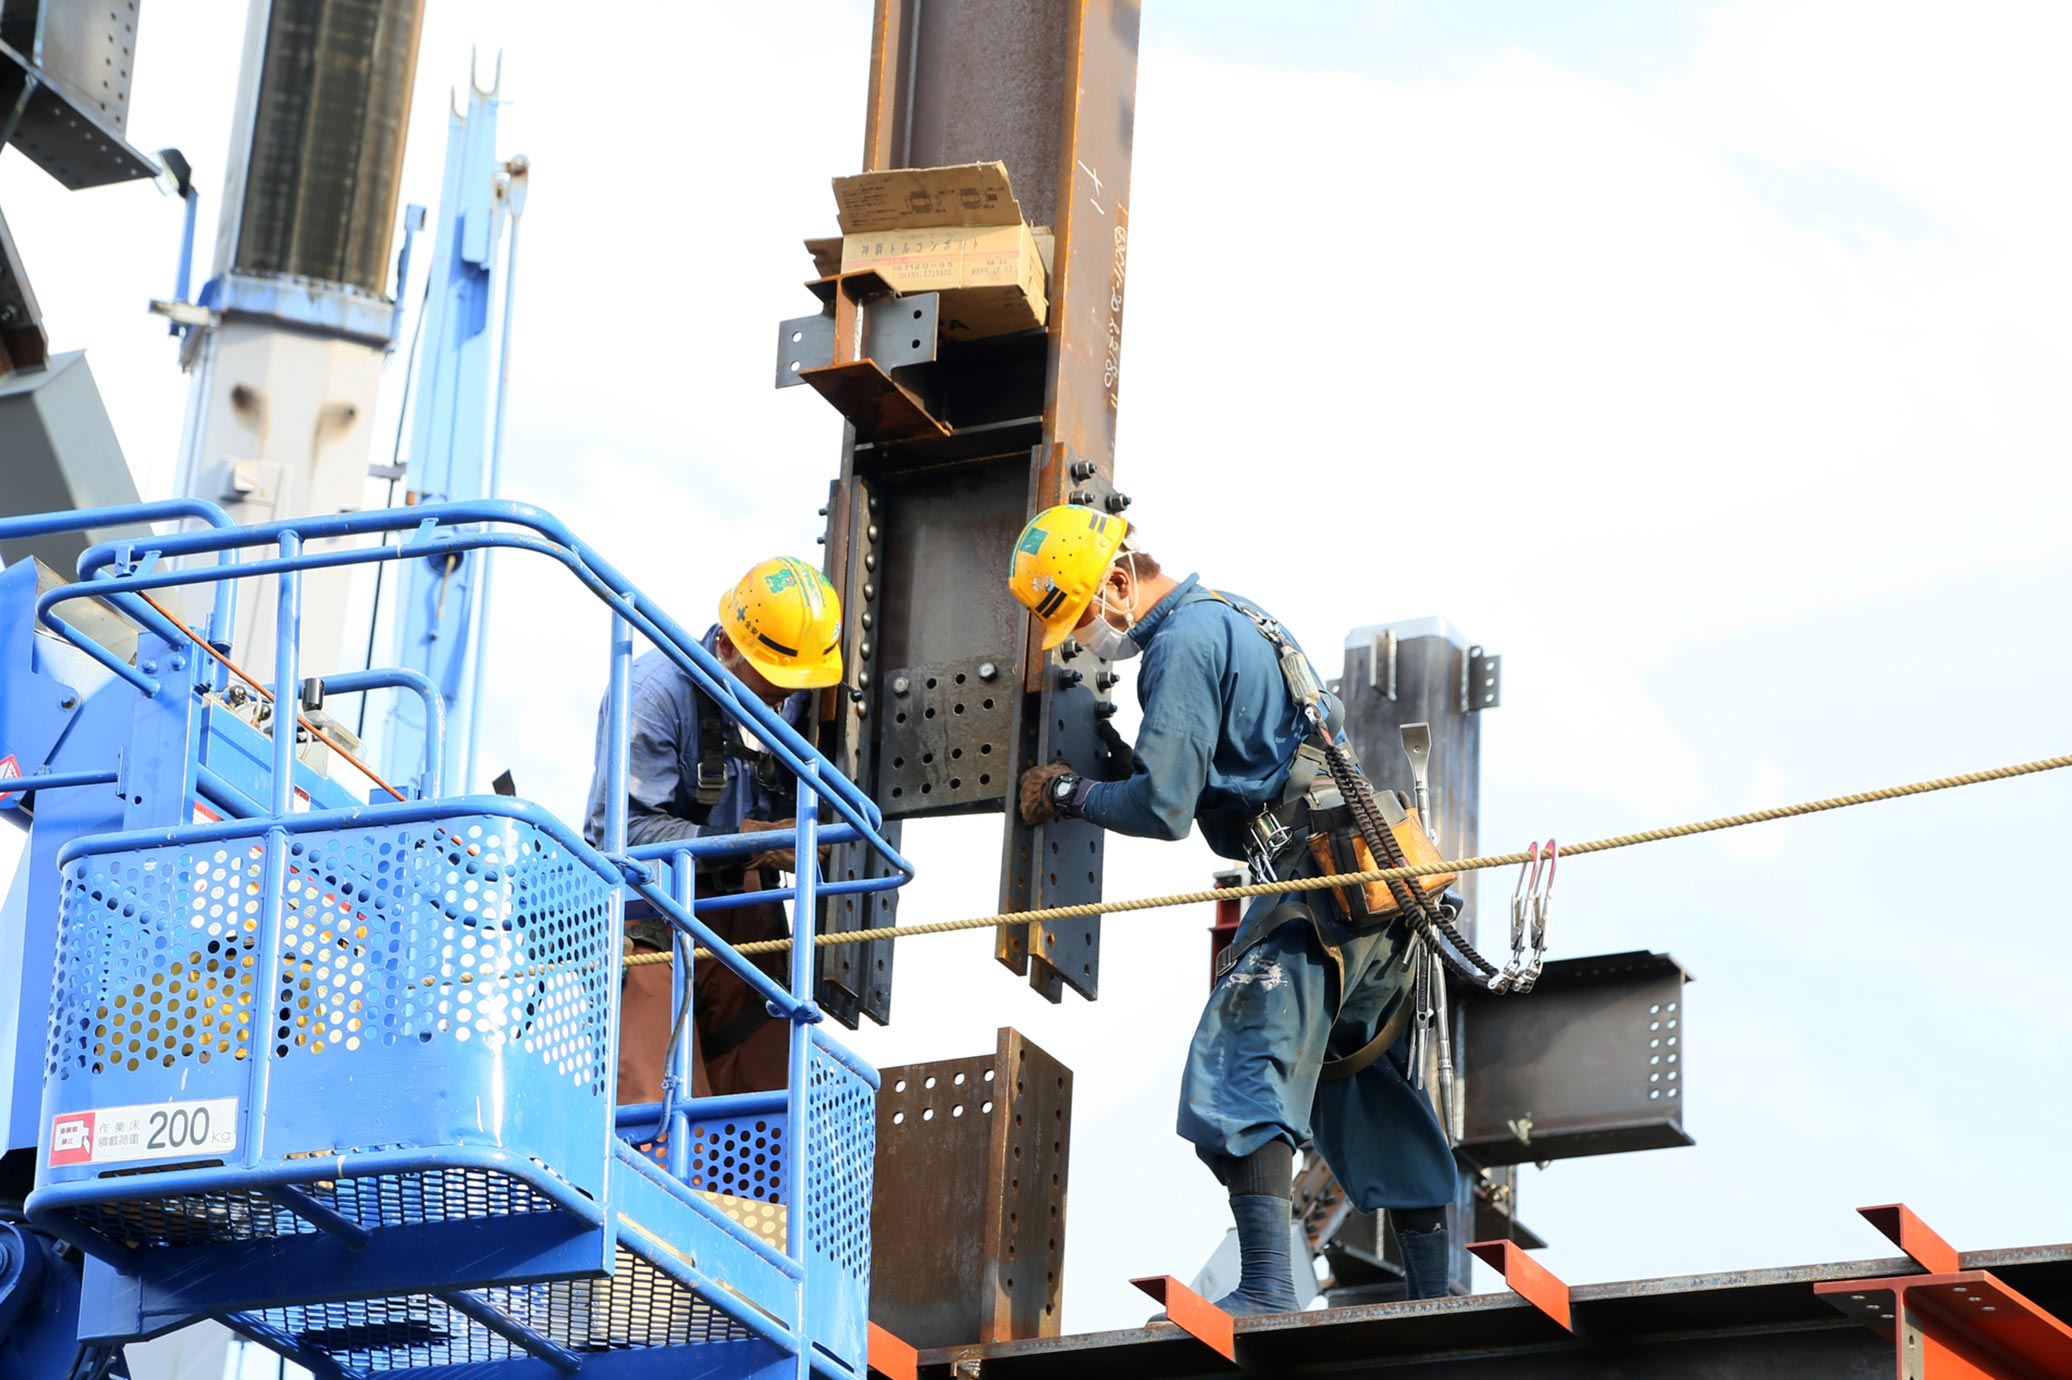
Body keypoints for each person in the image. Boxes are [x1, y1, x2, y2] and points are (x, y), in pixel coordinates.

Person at [1006, 504, 1457, 1312]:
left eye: (1080, 618)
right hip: (1373, 886)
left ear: (1118, 582)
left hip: (1313, 887)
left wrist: (1070, 792)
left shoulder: (1180, 645)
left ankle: (1268, 1287)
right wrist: (1129, 765)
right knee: (1356, 1073)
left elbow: (1164, 810)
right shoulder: (1238, 616)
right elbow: (1233, 779)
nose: (1086, 640)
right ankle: (1438, 1302)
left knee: (1242, 1058)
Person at [583, 555, 843, 1103]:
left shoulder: (799, 698)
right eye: (774, 683)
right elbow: (622, 833)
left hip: (744, 914)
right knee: (657, 1096)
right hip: (649, 909)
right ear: (726, 646)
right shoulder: (653, 693)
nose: (784, 699)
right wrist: (753, 841)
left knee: (768, 1104)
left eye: (797, 685)